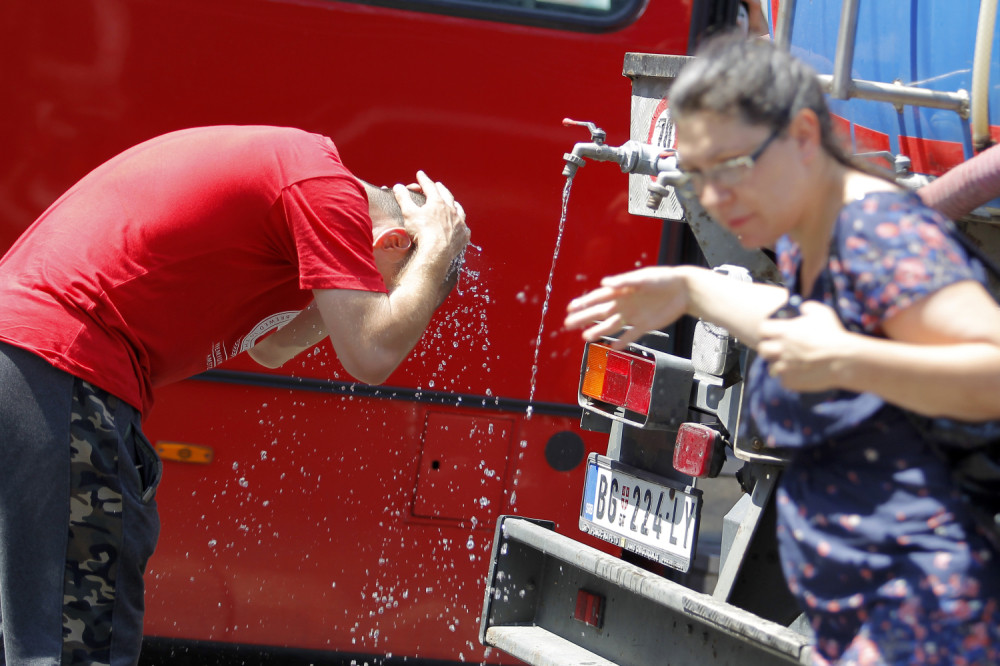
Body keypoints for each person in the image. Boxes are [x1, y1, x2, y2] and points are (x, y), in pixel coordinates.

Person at [565, 36, 1000, 665]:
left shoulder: (879, 236)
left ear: (801, 134)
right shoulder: (806, 230)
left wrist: (849, 359)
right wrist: (693, 288)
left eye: (731, 169)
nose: (713, 199)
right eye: (698, 178)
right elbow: (799, 323)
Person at [0, 125, 469, 665]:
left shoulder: (304, 199)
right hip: (61, 364)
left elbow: (271, 348)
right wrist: (437, 249)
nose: (368, 298)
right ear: (393, 242)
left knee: (37, 634)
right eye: (380, 288)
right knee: (80, 644)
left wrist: (340, 282)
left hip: (35, 366)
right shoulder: (323, 185)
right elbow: (371, 354)